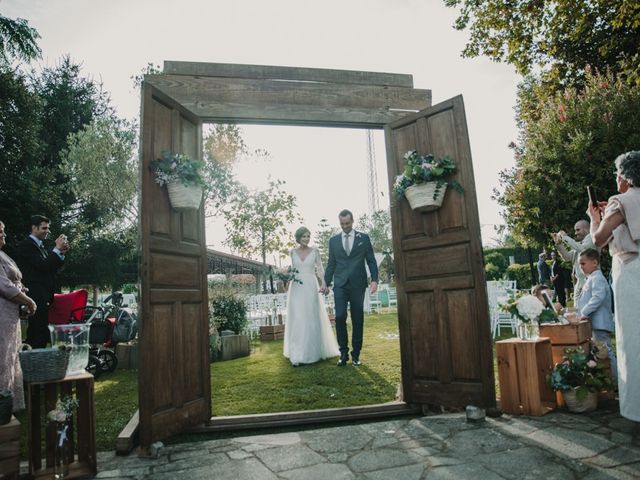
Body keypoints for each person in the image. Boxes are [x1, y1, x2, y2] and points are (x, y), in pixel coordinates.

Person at [587, 150, 640, 439]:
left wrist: (595, 217)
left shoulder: (622, 201)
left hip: (633, 275)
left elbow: (598, 239)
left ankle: (637, 411)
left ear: (625, 176)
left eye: (617, 174)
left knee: (634, 340)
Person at [323, 210, 378, 366]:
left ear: (352, 221)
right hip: (340, 284)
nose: (345, 226)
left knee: (357, 319)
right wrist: (326, 282)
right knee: (339, 316)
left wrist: (374, 280)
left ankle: (356, 354)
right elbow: (331, 264)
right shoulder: (333, 241)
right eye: (342, 224)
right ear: (339, 222)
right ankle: (343, 353)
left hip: (358, 284)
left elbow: (371, 261)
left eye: (347, 223)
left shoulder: (364, 238)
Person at [283, 227, 340, 366]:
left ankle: (312, 352)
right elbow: (292, 270)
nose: (306, 239)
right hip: (296, 288)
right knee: (297, 317)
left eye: (308, 236)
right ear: (298, 238)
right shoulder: (292, 252)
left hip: (310, 286)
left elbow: (320, 269)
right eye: (303, 236)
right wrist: (286, 280)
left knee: (310, 316)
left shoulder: (315, 251)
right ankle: (297, 352)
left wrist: (324, 284)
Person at [15, 215, 69, 348]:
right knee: (37, 334)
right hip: (35, 296)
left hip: (42, 296)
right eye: (44, 228)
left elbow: (49, 268)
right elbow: (43, 266)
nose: (47, 231)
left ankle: (34, 363)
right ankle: (32, 364)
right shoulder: (27, 245)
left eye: (48, 228)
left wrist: (60, 253)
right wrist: (56, 249)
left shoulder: (39, 247)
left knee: (40, 332)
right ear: (34, 228)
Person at [0, 221, 37, 412]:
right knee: (3, 358)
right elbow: (5, 287)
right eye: (0, 232)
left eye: (3, 231)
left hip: (11, 315)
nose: (3, 235)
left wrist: (22, 292)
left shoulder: (3, 254)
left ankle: (10, 405)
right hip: (2, 315)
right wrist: (29, 301)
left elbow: (13, 283)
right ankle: (2, 406)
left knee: (11, 356)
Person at [575, 248, 617, 381]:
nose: (580, 267)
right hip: (595, 323)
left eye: (583, 263)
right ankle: (608, 381)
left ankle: (618, 382)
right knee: (600, 353)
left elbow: (597, 297)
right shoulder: (591, 278)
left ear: (594, 263)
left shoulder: (598, 278)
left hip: (600, 323)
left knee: (606, 353)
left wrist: (584, 312)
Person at [552, 219, 596, 302]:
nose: (575, 233)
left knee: (587, 311)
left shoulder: (592, 238)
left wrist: (564, 237)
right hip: (579, 282)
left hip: (590, 281)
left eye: (578, 230)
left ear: (586, 229)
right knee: (577, 310)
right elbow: (567, 257)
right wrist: (559, 244)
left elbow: (582, 249)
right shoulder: (579, 244)